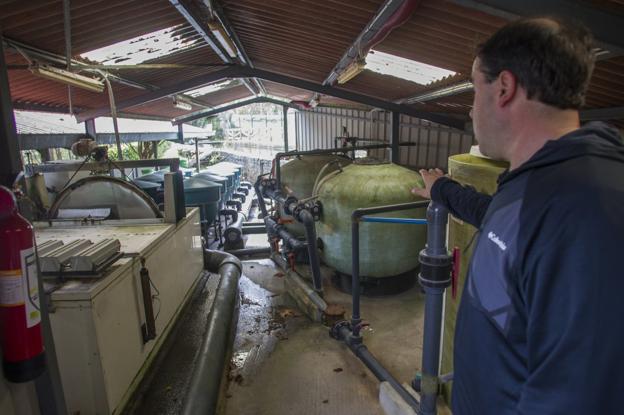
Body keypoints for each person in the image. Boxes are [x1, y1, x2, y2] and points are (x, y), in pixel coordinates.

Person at [412, 17, 624, 414]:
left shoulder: (595, 210)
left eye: (476, 90)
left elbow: (581, 396)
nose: (472, 110)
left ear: (504, 88)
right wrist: (441, 190)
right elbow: (500, 220)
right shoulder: (539, 180)